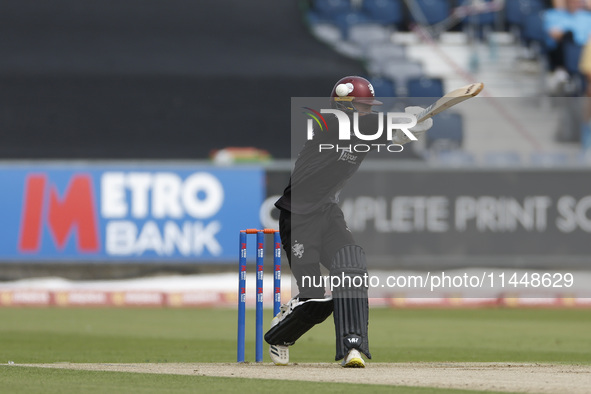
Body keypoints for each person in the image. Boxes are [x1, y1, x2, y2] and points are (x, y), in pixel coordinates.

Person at [263, 76, 433, 367]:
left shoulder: (362, 129)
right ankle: (282, 333)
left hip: (328, 212)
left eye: (369, 107)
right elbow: (363, 127)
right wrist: (400, 122)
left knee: (352, 267)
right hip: (299, 215)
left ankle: (352, 347)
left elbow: (373, 132)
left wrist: (399, 133)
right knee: (315, 301)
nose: (366, 111)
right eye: (362, 106)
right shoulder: (327, 125)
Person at [543, 0, 591, 93]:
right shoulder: (556, 15)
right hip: (565, 51)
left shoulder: (587, 17)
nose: (574, 3)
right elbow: (553, 33)